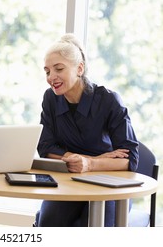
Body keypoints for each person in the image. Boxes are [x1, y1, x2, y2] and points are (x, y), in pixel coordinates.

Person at [35, 33, 139, 227]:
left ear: (79, 68)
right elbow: (45, 147)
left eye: (59, 69)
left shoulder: (109, 100)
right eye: (47, 71)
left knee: (93, 226)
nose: (51, 77)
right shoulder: (50, 98)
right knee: (48, 223)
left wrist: (90, 164)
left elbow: (130, 159)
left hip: (110, 181)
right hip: (69, 179)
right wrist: (90, 160)